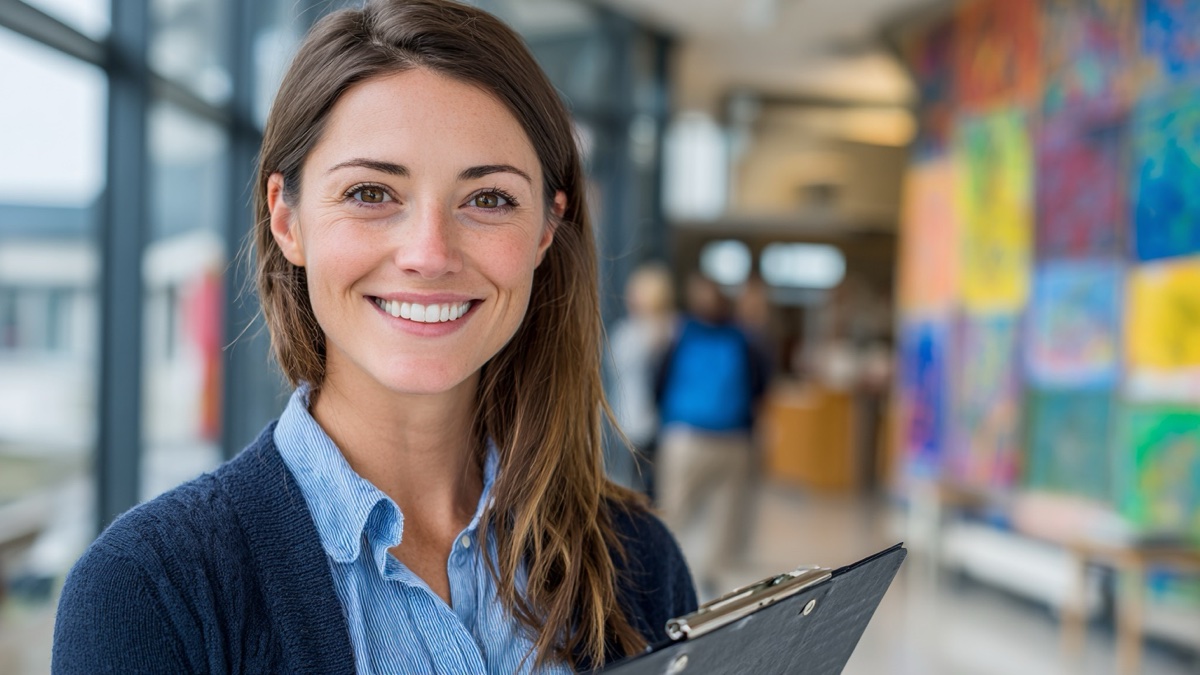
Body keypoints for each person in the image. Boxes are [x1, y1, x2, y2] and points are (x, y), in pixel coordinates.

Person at [50, 1, 696, 672]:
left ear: (545, 229)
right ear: (287, 219)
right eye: (370, 192)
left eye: (489, 199)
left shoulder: (638, 559)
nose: (429, 253)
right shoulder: (149, 590)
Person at [654, 273, 768, 599]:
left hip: (685, 435)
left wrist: (667, 418)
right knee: (724, 516)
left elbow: (659, 380)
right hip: (733, 438)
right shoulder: (743, 338)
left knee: (676, 510)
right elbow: (761, 384)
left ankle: (668, 575)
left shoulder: (681, 333)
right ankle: (709, 576)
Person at [607, 262, 675, 499]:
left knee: (644, 489)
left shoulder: (636, 333)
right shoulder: (667, 331)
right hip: (640, 422)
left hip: (646, 423)